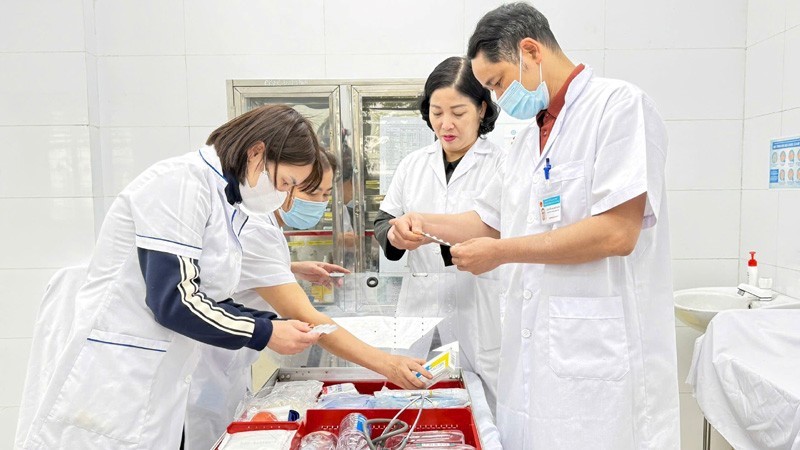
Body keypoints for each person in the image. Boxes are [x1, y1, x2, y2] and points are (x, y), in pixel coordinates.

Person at [388, 3, 680, 449]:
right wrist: (418, 221)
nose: (499, 98)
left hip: (600, 354)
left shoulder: (618, 107)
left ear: (530, 51)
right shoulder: (528, 139)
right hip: (538, 355)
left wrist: (502, 253)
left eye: (498, 82)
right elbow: (487, 222)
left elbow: (618, 232)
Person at [16, 105, 327, 449]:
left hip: (162, 380)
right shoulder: (179, 183)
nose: (283, 196)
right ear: (256, 152)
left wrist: (272, 323)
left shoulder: (224, 201)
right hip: (119, 378)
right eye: (285, 182)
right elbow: (174, 300)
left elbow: (211, 297)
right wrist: (265, 332)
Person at [184, 150, 432, 450]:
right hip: (207, 375)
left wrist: (290, 268)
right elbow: (309, 319)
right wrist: (387, 364)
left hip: (230, 366)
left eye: (326, 194)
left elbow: (240, 268)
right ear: (284, 183)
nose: (318, 202)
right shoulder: (258, 228)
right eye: (310, 192)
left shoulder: (266, 223)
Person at [373, 56, 504, 409]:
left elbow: (496, 228)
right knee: (414, 404)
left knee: (481, 410)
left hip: (477, 309)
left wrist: (423, 222)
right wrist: (395, 237)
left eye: (458, 113)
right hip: (420, 308)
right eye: (436, 112)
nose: (446, 124)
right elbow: (384, 221)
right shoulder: (413, 164)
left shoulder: (501, 164)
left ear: (481, 109)